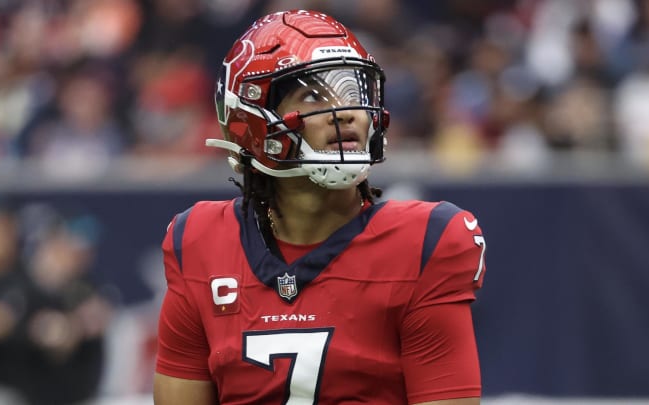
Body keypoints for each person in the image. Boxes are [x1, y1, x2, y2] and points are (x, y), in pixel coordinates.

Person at [153, 9, 487, 405]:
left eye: (353, 91)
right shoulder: (199, 240)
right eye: (313, 95)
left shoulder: (426, 241)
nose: (346, 111)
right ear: (250, 119)